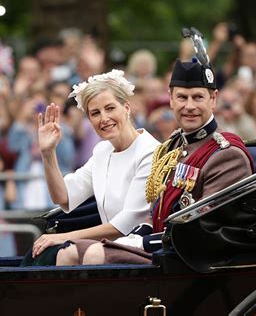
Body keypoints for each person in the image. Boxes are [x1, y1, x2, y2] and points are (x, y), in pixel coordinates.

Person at [56, 58, 255, 266]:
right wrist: (136, 237)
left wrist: (141, 243)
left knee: (94, 255)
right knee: (66, 254)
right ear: (170, 99)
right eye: (182, 97)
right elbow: (156, 212)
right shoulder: (172, 146)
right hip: (165, 245)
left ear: (213, 99)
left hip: (196, 256)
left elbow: (204, 228)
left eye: (197, 97)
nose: (189, 106)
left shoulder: (226, 154)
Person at [28, 69, 160, 264]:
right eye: (95, 113)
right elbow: (63, 197)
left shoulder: (150, 151)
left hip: (140, 247)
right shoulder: (102, 151)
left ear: (127, 108)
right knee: (45, 255)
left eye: (110, 108)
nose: (104, 118)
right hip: (107, 246)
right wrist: (48, 153)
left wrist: (64, 237)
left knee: (61, 252)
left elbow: (124, 225)